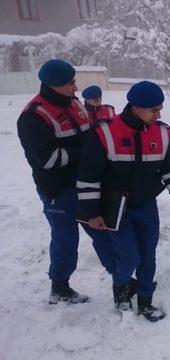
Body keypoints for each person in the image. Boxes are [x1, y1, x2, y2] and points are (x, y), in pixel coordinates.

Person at [76, 80, 170, 322]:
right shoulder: (105, 132)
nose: (158, 114)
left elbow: (169, 169)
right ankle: (121, 289)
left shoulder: (161, 132)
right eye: (154, 110)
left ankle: (146, 301)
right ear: (137, 107)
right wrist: (92, 212)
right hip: (116, 208)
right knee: (128, 257)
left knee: (148, 256)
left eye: (160, 109)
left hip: (146, 205)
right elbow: (88, 177)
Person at [16, 59, 115, 305]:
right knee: (65, 238)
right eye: (71, 83)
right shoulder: (33, 117)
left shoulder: (74, 104)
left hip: (86, 183)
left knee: (103, 231)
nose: (76, 87)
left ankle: (120, 277)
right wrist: (88, 151)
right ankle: (59, 287)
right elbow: (49, 159)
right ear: (55, 85)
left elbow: (90, 132)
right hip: (58, 190)